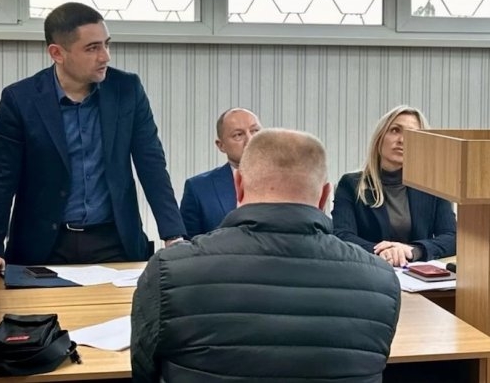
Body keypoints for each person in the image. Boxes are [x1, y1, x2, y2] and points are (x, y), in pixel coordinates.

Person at [131, 129, 401, 383]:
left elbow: (144, 371)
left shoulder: (169, 271)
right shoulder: (382, 281)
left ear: (238, 186)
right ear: (324, 197)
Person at [0, 2, 186, 275]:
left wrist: (173, 234)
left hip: (115, 241)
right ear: (57, 53)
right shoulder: (20, 99)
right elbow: (0, 177)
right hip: (43, 245)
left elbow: (151, 163)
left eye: (106, 44)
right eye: (92, 48)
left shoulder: (126, 90)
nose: (105, 56)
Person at [332, 105, 456, 267]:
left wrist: (414, 250)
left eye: (411, 134)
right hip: (369, 269)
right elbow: (341, 235)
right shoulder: (351, 184)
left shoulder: (433, 186)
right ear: (380, 137)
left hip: (418, 274)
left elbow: (452, 237)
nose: (402, 140)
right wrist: (383, 252)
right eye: (395, 130)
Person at [180, 108, 261, 236]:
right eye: (238, 135)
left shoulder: (286, 182)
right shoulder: (198, 188)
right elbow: (188, 244)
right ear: (221, 145)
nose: (250, 140)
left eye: (255, 131)